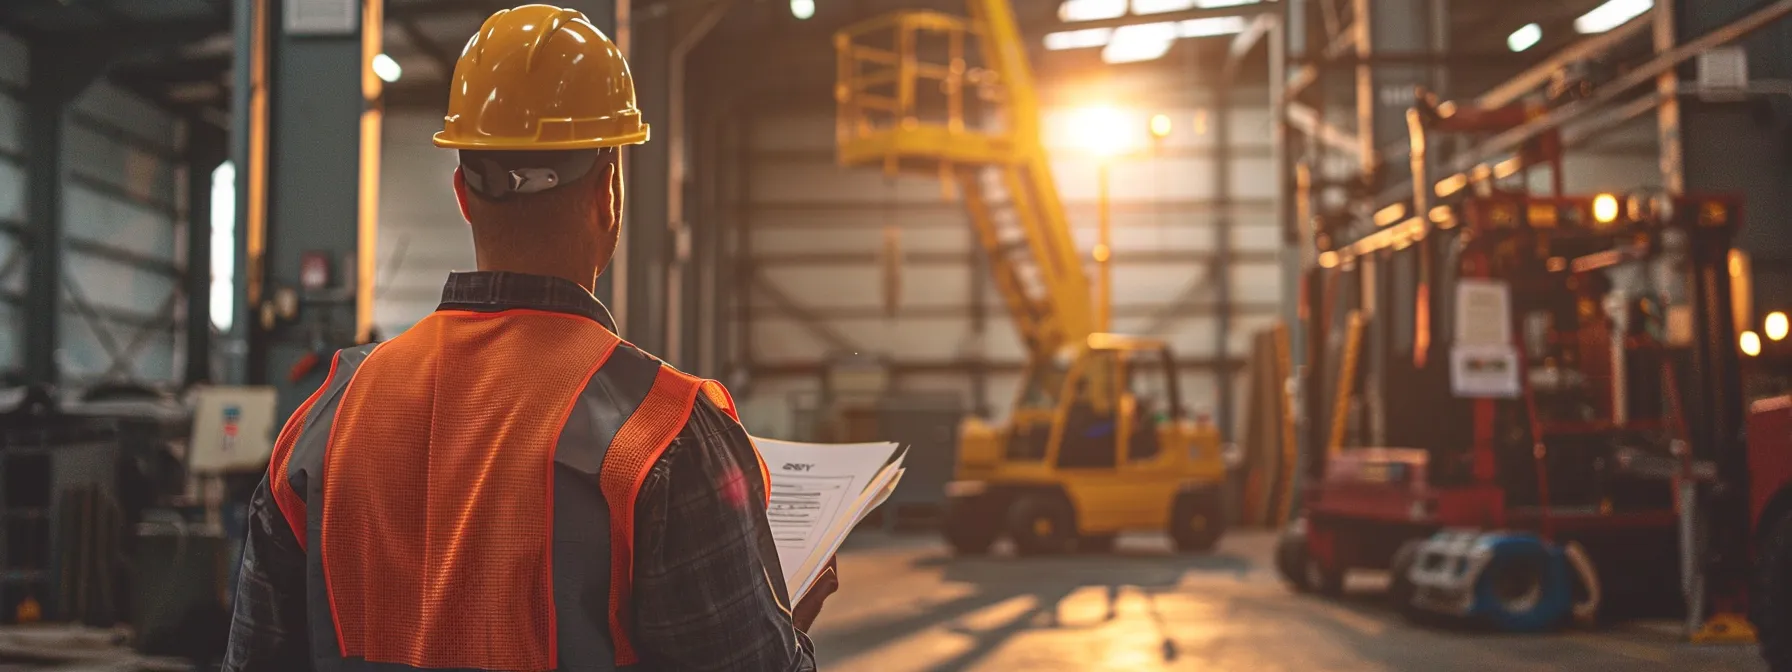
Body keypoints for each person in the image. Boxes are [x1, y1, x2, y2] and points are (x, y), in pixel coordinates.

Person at [222, 5, 834, 670]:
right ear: (608, 192)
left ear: (462, 192)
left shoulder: (326, 422)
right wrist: (785, 630)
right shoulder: (668, 435)